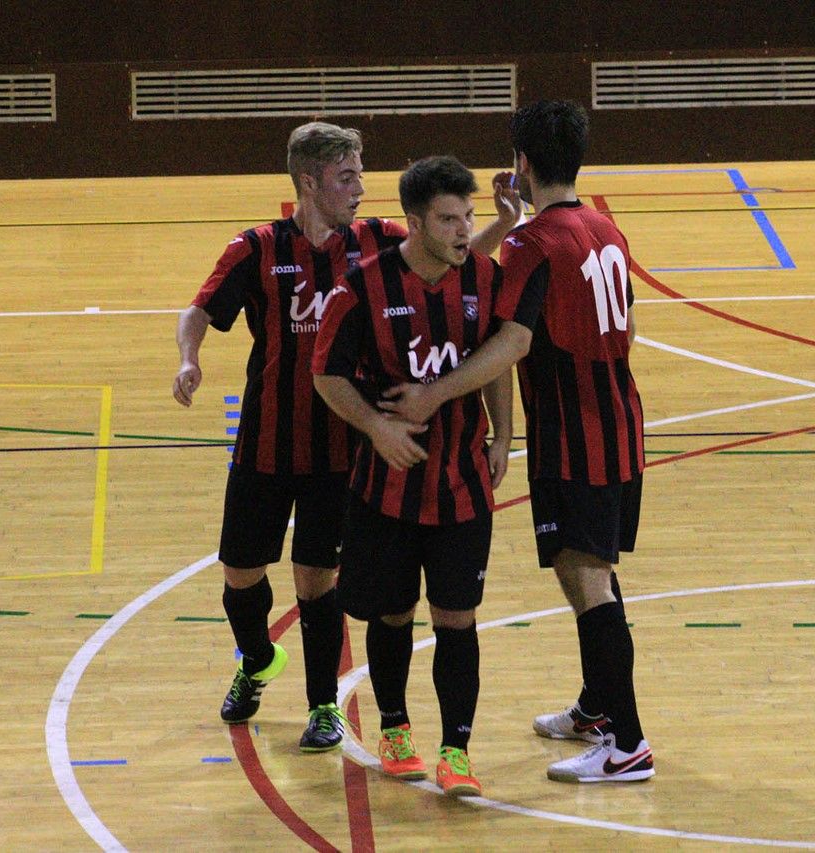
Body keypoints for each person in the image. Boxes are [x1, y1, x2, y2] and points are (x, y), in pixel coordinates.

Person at [174, 123, 519, 752]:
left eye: (361, 174)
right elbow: (197, 311)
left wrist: (497, 224)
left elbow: (448, 251)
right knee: (241, 573)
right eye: (347, 177)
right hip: (267, 441)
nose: (361, 189)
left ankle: (323, 705)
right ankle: (256, 660)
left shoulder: (376, 238)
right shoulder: (256, 247)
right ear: (309, 183)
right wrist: (188, 359)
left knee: (316, 579)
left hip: (344, 448)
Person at [377, 101, 654, 783]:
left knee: (589, 581)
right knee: (585, 566)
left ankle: (629, 745)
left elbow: (513, 337)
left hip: (573, 433)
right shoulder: (605, 228)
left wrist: (434, 393)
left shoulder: (535, 245)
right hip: (620, 421)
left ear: (522, 162)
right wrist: (508, 221)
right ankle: (598, 705)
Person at [312, 155, 514, 797]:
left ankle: (457, 750)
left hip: (463, 485)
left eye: (469, 217)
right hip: (386, 486)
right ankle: (395, 728)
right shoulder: (362, 288)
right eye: (448, 219)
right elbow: (326, 375)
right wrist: (376, 426)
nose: (463, 230)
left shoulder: (486, 278)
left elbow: (495, 360)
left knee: (458, 617)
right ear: (415, 222)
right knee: (393, 614)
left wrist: (505, 432)